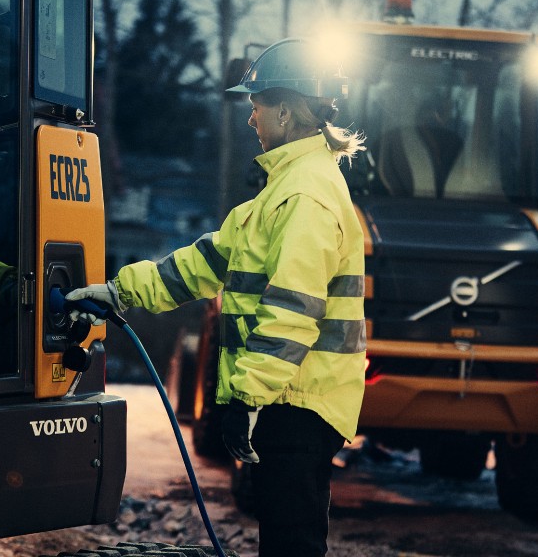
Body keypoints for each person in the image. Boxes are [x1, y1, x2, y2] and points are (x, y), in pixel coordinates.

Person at [67, 38, 367, 557]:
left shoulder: (304, 196)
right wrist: (119, 292)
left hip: (296, 403)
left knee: (292, 542)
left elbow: (292, 313)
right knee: (286, 538)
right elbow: (205, 263)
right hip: (292, 399)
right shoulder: (285, 188)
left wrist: (248, 397)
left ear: (287, 111)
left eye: (256, 106)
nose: (251, 119)